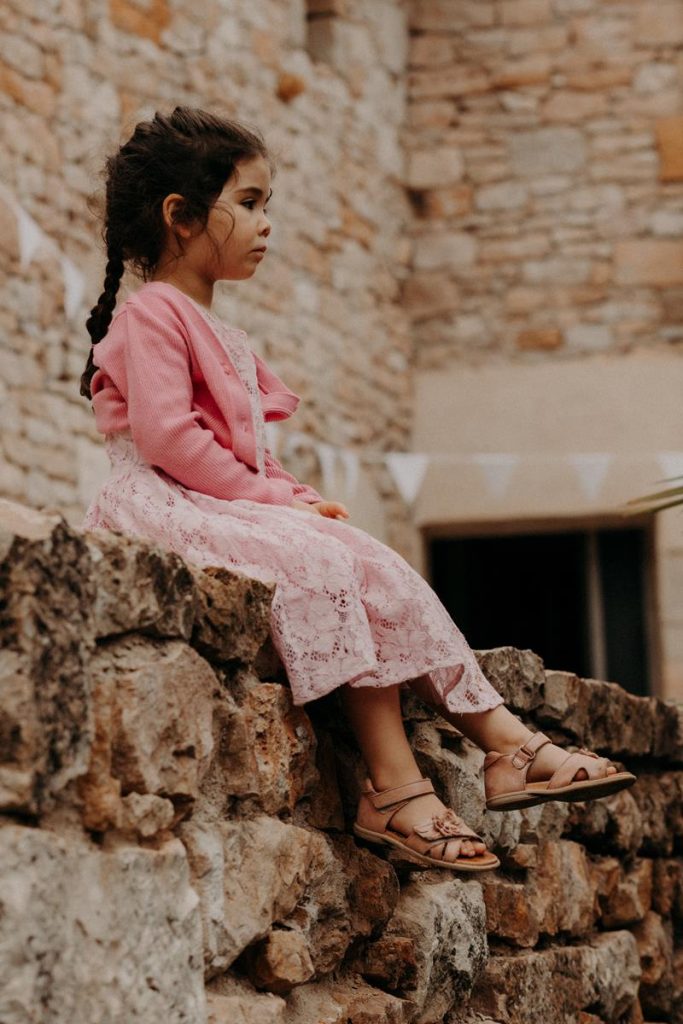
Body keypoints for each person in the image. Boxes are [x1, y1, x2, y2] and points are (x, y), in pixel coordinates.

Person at [80, 106, 636, 873]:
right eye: (247, 202)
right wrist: (271, 502)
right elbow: (169, 440)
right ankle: (396, 786)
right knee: (324, 565)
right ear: (180, 215)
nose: (265, 222)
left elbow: (243, 451)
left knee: (368, 559)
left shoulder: (219, 330)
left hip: (217, 496)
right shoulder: (151, 314)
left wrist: (292, 493)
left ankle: (506, 744)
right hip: (162, 503)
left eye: (265, 203)